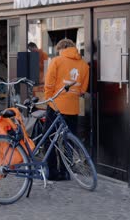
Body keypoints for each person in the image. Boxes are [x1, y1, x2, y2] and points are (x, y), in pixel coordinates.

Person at [43, 38, 89, 181]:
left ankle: (52, 172)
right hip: (73, 109)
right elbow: (82, 90)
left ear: (62, 49)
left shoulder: (57, 61)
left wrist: (48, 99)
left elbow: (49, 84)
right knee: (68, 141)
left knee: (49, 140)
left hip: (56, 107)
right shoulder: (84, 65)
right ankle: (66, 171)